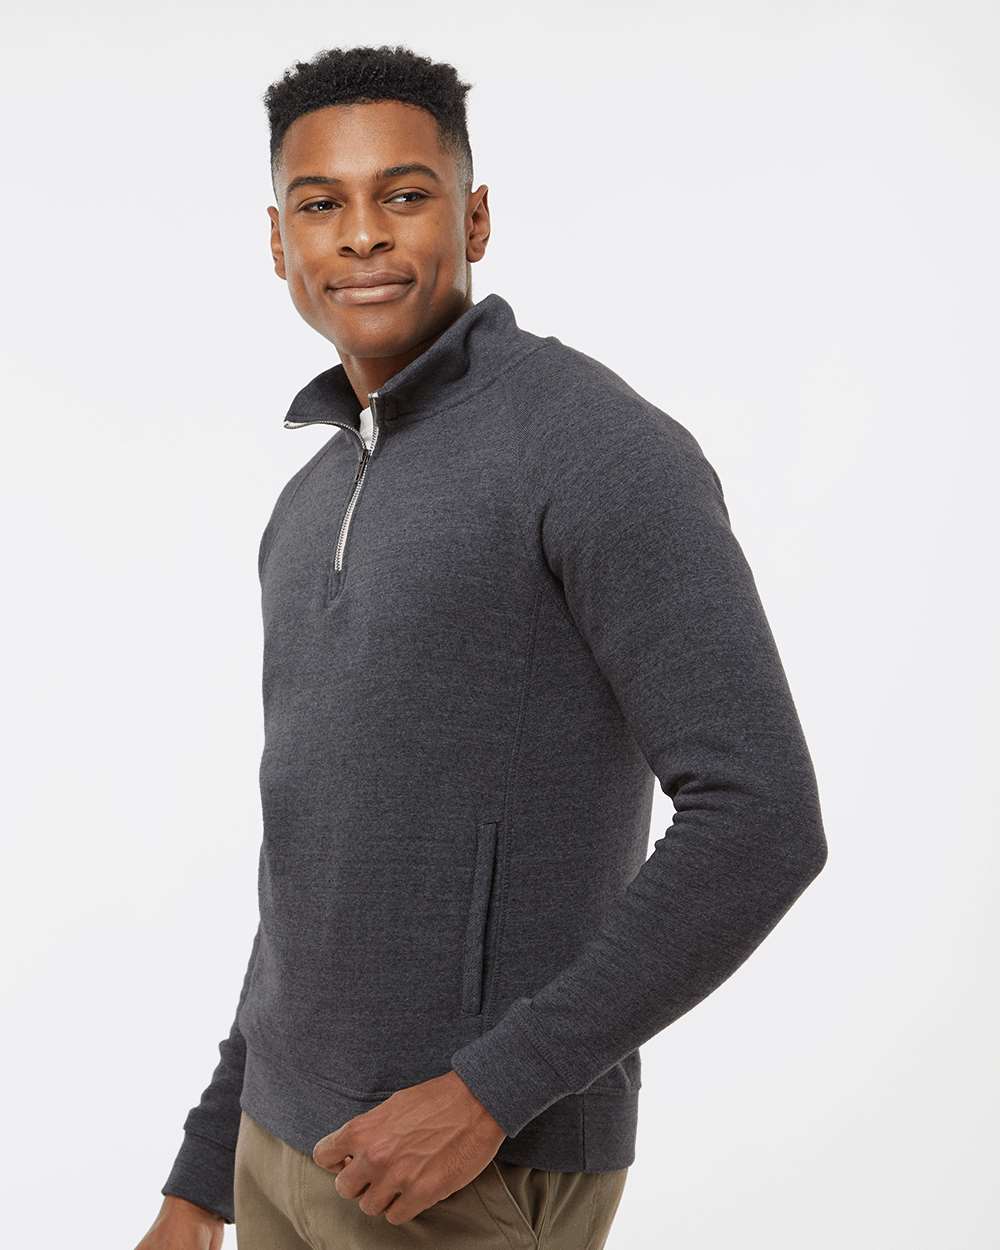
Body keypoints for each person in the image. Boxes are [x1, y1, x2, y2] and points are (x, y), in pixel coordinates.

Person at [135, 42, 828, 1250]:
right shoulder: (307, 502)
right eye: (321, 204)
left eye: (403, 193)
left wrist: (488, 1091)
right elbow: (309, 866)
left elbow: (762, 815)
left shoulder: (594, 447)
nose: (362, 233)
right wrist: (205, 1173)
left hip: (458, 1166)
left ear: (475, 216)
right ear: (278, 242)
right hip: (275, 1150)